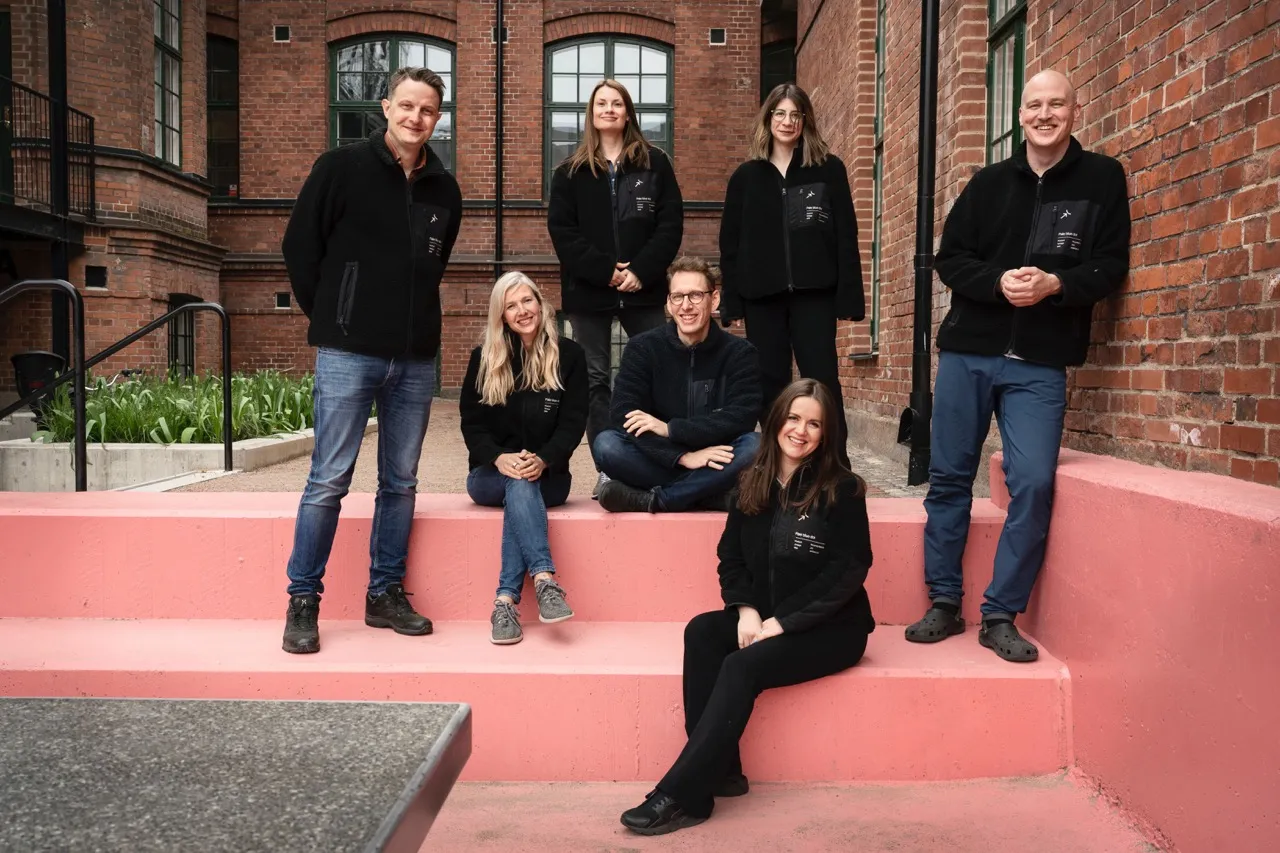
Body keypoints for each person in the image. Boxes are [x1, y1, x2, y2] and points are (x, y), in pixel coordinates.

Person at [906, 69, 1131, 662]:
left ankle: (1000, 612)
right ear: (1020, 114)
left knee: (1032, 482)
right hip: (969, 352)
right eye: (1034, 104)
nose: (1044, 114)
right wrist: (996, 282)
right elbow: (949, 258)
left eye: (1056, 103)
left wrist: (1056, 283)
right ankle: (944, 602)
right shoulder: (987, 184)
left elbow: (1110, 267)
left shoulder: (1102, 180)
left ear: (1073, 111)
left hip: (1041, 361)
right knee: (951, 476)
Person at [620, 378, 875, 835]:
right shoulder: (750, 482)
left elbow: (848, 571)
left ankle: (684, 795)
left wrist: (785, 621)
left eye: (814, 424)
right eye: (794, 418)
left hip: (832, 628)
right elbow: (730, 558)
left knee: (742, 667)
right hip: (766, 616)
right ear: (777, 421)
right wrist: (745, 610)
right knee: (701, 632)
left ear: (826, 434)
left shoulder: (842, 489)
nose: (801, 430)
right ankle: (723, 772)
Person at [279, 66, 463, 655]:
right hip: (347, 352)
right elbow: (299, 247)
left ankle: (384, 593)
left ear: (438, 117)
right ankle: (303, 599)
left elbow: (432, 267)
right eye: (406, 106)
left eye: (428, 110)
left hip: (413, 360)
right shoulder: (341, 168)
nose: (416, 118)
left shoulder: (444, 190)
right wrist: (335, 313)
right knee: (328, 480)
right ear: (386, 108)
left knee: (401, 482)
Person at [547, 78, 685, 498]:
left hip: (643, 288)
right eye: (601, 103)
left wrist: (640, 270)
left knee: (657, 371)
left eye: (617, 103)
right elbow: (563, 233)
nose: (609, 109)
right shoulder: (569, 172)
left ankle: (656, 459)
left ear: (628, 113)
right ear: (591, 114)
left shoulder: (655, 163)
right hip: (589, 291)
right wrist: (606, 271)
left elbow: (670, 224)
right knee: (593, 378)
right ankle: (608, 465)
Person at [718, 82, 864, 467]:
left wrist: (849, 296)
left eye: (794, 115)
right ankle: (777, 466)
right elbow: (729, 244)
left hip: (814, 294)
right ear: (768, 119)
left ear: (805, 121)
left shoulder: (828, 170)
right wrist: (731, 301)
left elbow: (846, 235)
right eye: (779, 114)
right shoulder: (746, 177)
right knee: (769, 383)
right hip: (760, 295)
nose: (787, 122)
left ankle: (835, 467)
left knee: (823, 381)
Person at [459, 271, 588, 645]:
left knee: (523, 482)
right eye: (511, 306)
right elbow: (472, 426)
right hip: (488, 476)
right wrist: (499, 458)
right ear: (501, 316)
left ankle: (505, 603)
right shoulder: (484, 359)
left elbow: (572, 424)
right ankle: (545, 580)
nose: (522, 311)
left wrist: (544, 460)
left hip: (550, 478)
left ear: (540, 302)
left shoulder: (570, 355)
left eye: (526, 301)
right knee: (517, 479)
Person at [593, 256, 761, 513]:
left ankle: (659, 500)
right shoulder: (643, 348)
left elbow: (742, 417)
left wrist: (671, 429)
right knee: (607, 445)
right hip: (662, 456)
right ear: (668, 304)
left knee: (755, 446)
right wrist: (683, 457)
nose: (686, 306)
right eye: (677, 297)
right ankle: (708, 495)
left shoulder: (739, 352)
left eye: (695, 295)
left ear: (713, 299)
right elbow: (623, 413)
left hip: (715, 453)